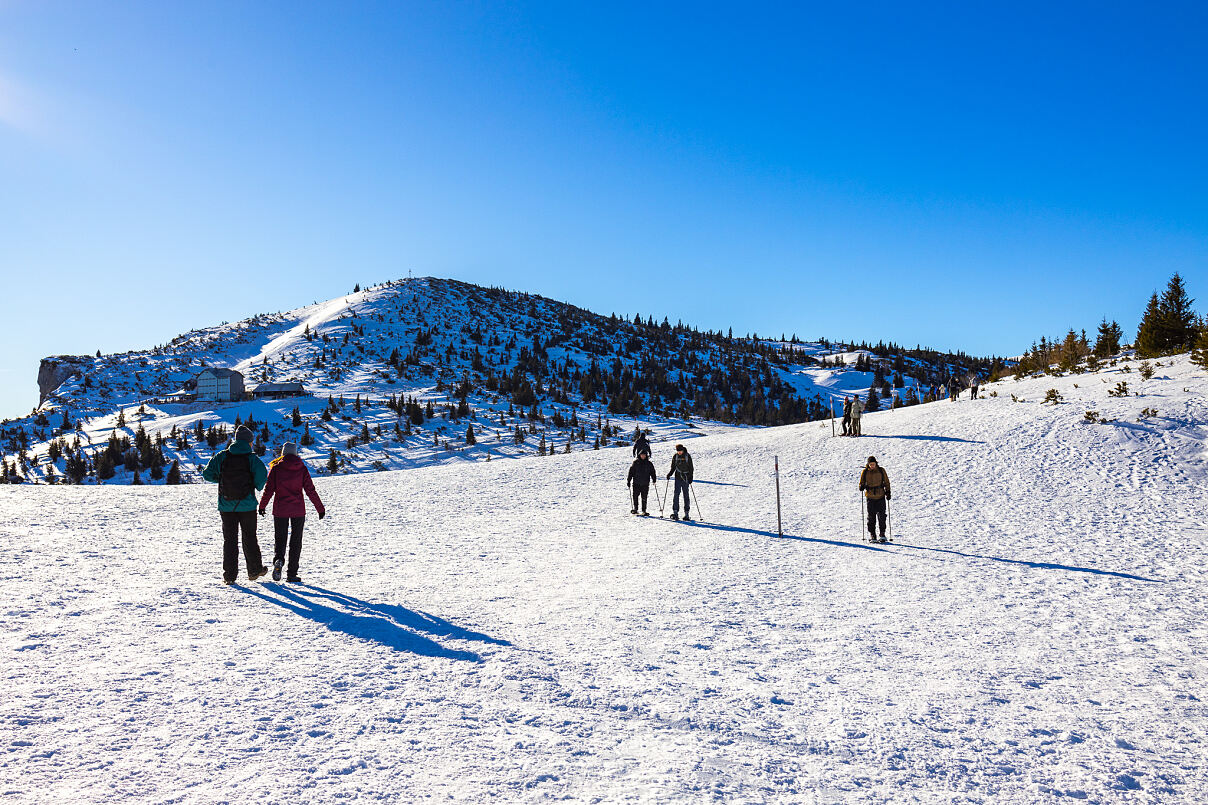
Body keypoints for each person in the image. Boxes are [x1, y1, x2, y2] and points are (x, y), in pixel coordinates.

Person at [201, 425, 269, 584]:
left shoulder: (222, 456)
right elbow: (261, 479)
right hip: (248, 506)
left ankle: (230, 576)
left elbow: (207, 474)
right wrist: (253, 484)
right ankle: (254, 570)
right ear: (249, 442)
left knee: (229, 540)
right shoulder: (252, 459)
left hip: (226, 505)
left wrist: (222, 479)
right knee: (249, 537)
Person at [258, 442, 326, 582]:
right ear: (295, 453)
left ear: (283, 453)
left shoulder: (276, 468)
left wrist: (262, 506)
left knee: (280, 539)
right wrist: (320, 508)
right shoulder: (302, 468)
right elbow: (310, 490)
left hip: (280, 510)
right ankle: (292, 573)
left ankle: (279, 561)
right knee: (296, 541)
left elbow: (269, 489)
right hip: (298, 510)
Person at [858, 456, 892, 543]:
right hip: (870, 497)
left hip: (881, 496)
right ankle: (872, 534)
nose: (872, 466)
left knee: (882, 516)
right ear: (868, 464)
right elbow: (861, 482)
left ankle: (882, 534)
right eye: (870, 464)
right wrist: (861, 487)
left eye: (873, 464)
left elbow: (886, 481)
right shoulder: (865, 472)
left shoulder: (881, 470)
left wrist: (888, 492)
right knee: (871, 516)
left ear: (876, 463)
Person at [666, 444, 694, 521]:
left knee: (686, 494)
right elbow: (673, 467)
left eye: (680, 451)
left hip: (685, 477)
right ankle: (675, 512)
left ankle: (686, 513)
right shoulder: (675, 456)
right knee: (676, 494)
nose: (679, 452)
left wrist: (691, 477)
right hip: (678, 477)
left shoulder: (687, 456)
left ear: (683, 450)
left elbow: (691, 467)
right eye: (678, 451)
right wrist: (669, 474)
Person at [626, 448, 657, 515]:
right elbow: (631, 472)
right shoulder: (636, 463)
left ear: (646, 455)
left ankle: (644, 510)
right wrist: (628, 480)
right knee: (635, 496)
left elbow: (652, 472)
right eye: (641, 455)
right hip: (636, 483)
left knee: (644, 497)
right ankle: (635, 509)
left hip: (645, 483)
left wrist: (654, 479)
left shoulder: (649, 463)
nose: (643, 456)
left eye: (644, 455)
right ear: (639, 455)